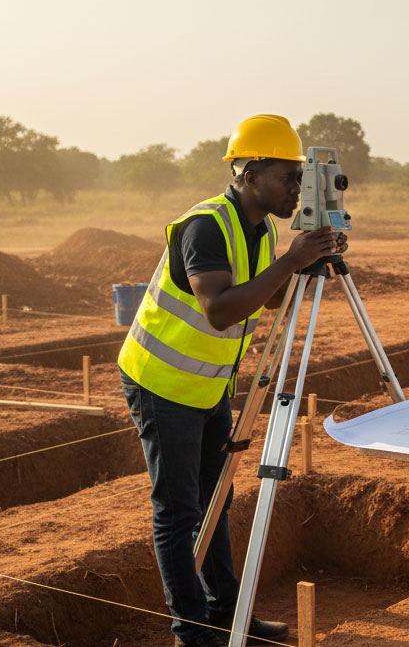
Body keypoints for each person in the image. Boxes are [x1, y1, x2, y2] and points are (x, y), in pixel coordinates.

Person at [117, 115, 343, 647]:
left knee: (216, 497)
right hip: (161, 384)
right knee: (179, 511)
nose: (296, 189)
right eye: (287, 177)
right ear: (249, 171)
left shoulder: (261, 229)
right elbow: (219, 310)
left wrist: (306, 263)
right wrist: (292, 258)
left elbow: (261, 298)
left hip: (209, 386)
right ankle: (191, 631)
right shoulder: (205, 226)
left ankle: (224, 612)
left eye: (299, 179)